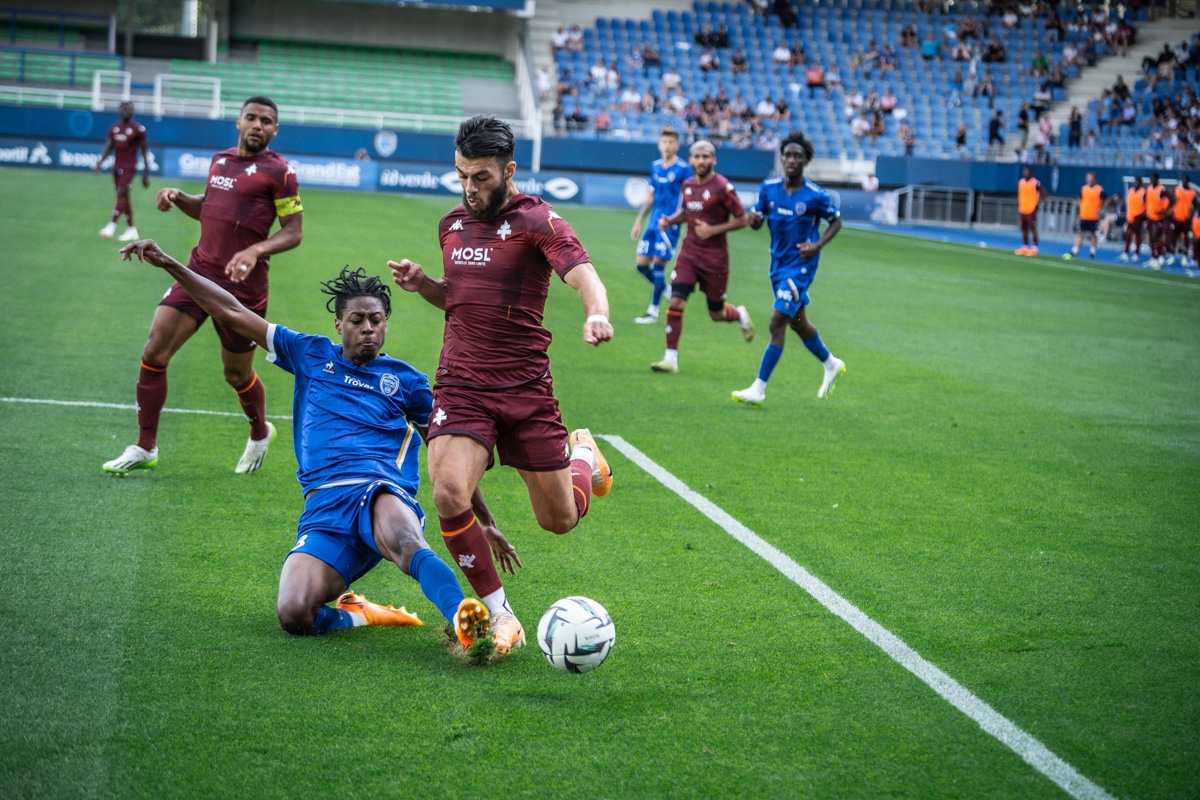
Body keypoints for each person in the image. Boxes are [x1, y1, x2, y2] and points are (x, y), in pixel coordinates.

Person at [118, 242, 504, 654]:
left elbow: (447, 457)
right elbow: (231, 311)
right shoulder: (309, 353)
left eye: (376, 320)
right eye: (357, 320)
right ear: (339, 324)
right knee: (294, 613)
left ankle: (465, 622)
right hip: (324, 506)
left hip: (379, 489)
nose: (368, 328)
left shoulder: (407, 380)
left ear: (386, 325)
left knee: (406, 541)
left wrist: (482, 519)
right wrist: (169, 263)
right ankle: (361, 613)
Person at [387, 116, 615, 657]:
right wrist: (425, 286)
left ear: (509, 171)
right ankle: (501, 614)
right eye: (462, 175)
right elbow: (460, 298)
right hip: (463, 383)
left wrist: (596, 314)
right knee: (448, 491)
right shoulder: (450, 226)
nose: (470, 188)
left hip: (525, 387)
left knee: (558, 520)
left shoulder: (538, 220)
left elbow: (585, 274)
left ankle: (583, 456)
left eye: (482, 177)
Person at [102, 97, 303, 476]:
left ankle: (260, 431)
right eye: (251, 118)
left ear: (275, 130)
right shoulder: (220, 160)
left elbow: (294, 231)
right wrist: (179, 198)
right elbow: (209, 206)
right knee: (154, 350)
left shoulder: (280, 172)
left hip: (242, 286)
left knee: (236, 374)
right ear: (238, 122)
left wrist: (255, 250)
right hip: (198, 272)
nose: (258, 125)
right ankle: (145, 446)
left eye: (266, 121)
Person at [732, 131, 845, 406]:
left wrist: (817, 245)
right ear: (782, 159)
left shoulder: (815, 195)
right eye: (788, 155)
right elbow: (757, 221)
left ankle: (758, 388)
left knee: (776, 323)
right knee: (797, 322)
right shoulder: (768, 188)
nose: (792, 160)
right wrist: (754, 220)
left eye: (798, 156)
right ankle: (830, 363)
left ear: (806, 161)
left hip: (801, 267)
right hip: (778, 266)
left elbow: (836, 222)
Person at [650, 140, 754, 373]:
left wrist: (713, 230)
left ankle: (738, 314)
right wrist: (670, 220)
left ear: (714, 160)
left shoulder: (723, 187)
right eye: (697, 156)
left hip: (715, 260)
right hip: (689, 254)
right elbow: (688, 212)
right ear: (691, 160)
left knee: (716, 313)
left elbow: (743, 219)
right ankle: (670, 360)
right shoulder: (687, 185)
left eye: (706, 156)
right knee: (676, 301)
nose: (701, 161)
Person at [629, 127, 694, 324]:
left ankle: (653, 312)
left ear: (677, 146)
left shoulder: (684, 169)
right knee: (641, 265)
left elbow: (689, 198)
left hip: (670, 224)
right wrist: (638, 221)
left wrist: (682, 222)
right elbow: (651, 196)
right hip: (652, 222)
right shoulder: (655, 166)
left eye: (671, 142)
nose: (667, 146)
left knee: (658, 265)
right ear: (659, 145)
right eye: (664, 142)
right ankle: (666, 289)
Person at [94, 100, 150, 242]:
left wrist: (146, 173)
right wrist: (99, 163)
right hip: (116, 167)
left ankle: (111, 225)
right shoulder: (114, 128)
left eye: (129, 109)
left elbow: (145, 151)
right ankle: (131, 230)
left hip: (129, 167)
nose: (126, 111)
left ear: (132, 112)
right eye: (124, 108)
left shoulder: (138, 129)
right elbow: (109, 147)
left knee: (121, 192)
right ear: (119, 111)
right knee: (124, 197)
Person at [1066, 173, 1108, 259]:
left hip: (1094, 216)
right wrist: (1080, 207)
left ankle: (1092, 251)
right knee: (1081, 233)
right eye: (1088, 178)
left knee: (1093, 234)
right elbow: (1079, 198)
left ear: (1094, 179)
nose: (1089, 180)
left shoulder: (1099, 189)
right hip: (1084, 215)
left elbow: (1107, 199)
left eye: (1091, 178)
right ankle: (1075, 250)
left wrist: (1101, 209)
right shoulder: (1083, 188)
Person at [1015, 166, 1045, 255]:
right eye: (1025, 171)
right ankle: (1025, 246)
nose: (1026, 173)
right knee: (1023, 227)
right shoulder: (1021, 182)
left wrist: (1037, 203)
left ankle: (1035, 247)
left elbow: (1044, 192)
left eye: (1028, 171)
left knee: (1032, 227)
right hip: (1022, 208)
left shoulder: (1035, 183)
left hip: (1031, 209)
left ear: (1031, 173)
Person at [1168, 175, 1195, 265]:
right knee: (1173, 237)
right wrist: (1171, 213)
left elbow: (1196, 204)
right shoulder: (1177, 190)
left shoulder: (1192, 192)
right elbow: (1172, 201)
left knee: (1186, 238)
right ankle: (1172, 256)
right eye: (1183, 180)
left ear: (1188, 182)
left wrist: (1191, 215)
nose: (1184, 182)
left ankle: (1185, 257)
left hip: (1186, 219)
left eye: (1185, 181)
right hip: (1176, 218)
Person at [1145, 172, 1171, 267]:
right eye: (1151, 178)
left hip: (1159, 217)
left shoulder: (1162, 190)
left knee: (1157, 236)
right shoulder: (1149, 188)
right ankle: (1153, 257)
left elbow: (1172, 199)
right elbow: (1147, 201)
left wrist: (1167, 211)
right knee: (1152, 237)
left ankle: (1159, 256)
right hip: (1150, 216)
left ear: (1157, 179)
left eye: (1154, 178)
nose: (1152, 180)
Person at [1119, 177, 1147, 263]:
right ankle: (1126, 253)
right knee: (1128, 233)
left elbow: (1147, 204)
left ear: (1141, 183)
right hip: (1131, 216)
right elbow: (1128, 203)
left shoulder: (1143, 192)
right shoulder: (1130, 191)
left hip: (1138, 215)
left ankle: (1136, 254)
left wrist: (1144, 216)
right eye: (1135, 182)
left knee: (1137, 234)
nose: (1136, 184)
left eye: (1138, 182)